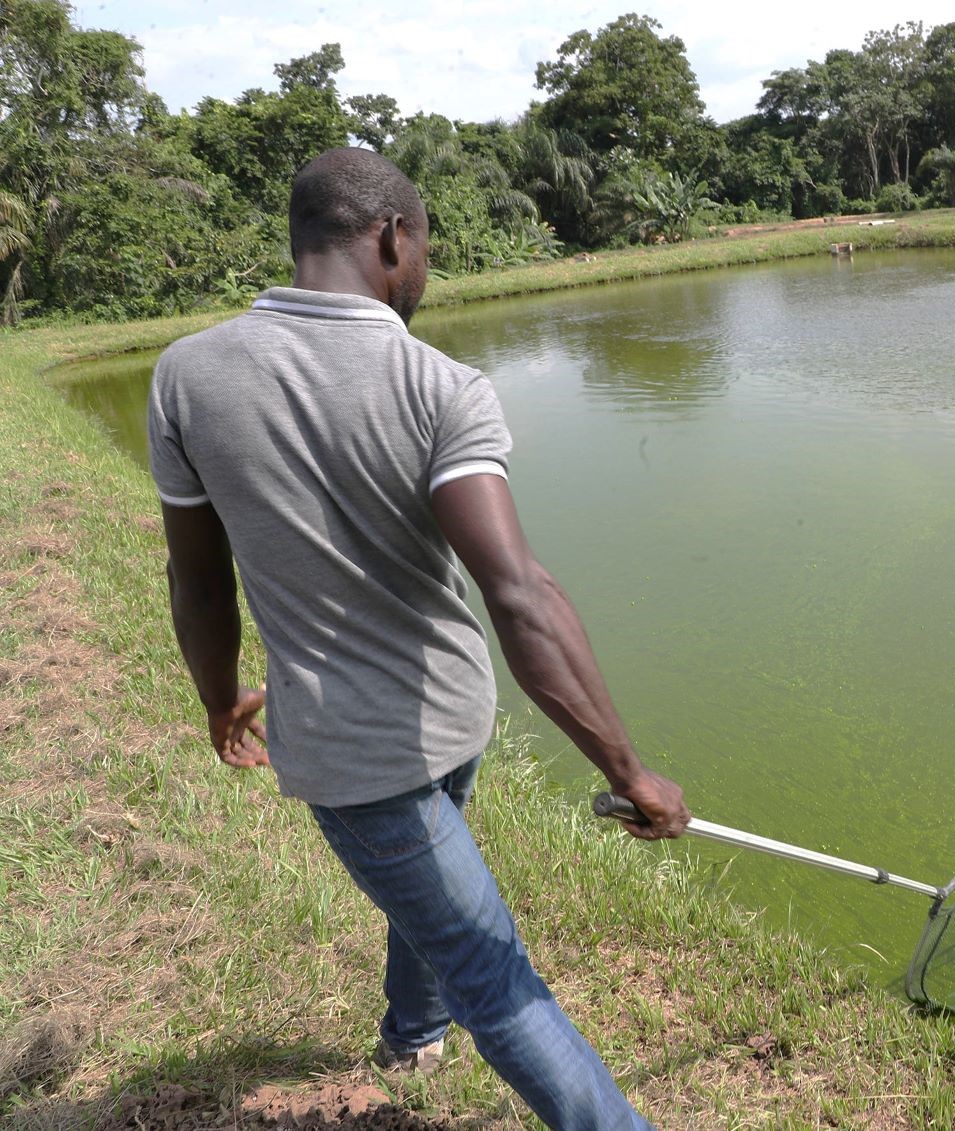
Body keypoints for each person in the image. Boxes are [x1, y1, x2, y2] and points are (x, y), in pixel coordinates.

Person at [149, 146, 689, 1130]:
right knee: (496, 976)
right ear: (394, 237)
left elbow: (198, 576)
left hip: (361, 740)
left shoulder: (186, 375)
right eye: (427, 248)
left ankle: (412, 1030)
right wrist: (628, 768)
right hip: (422, 730)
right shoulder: (442, 385)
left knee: (432, 897)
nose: (425, 271)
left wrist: (218, 696)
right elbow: (519, 593)